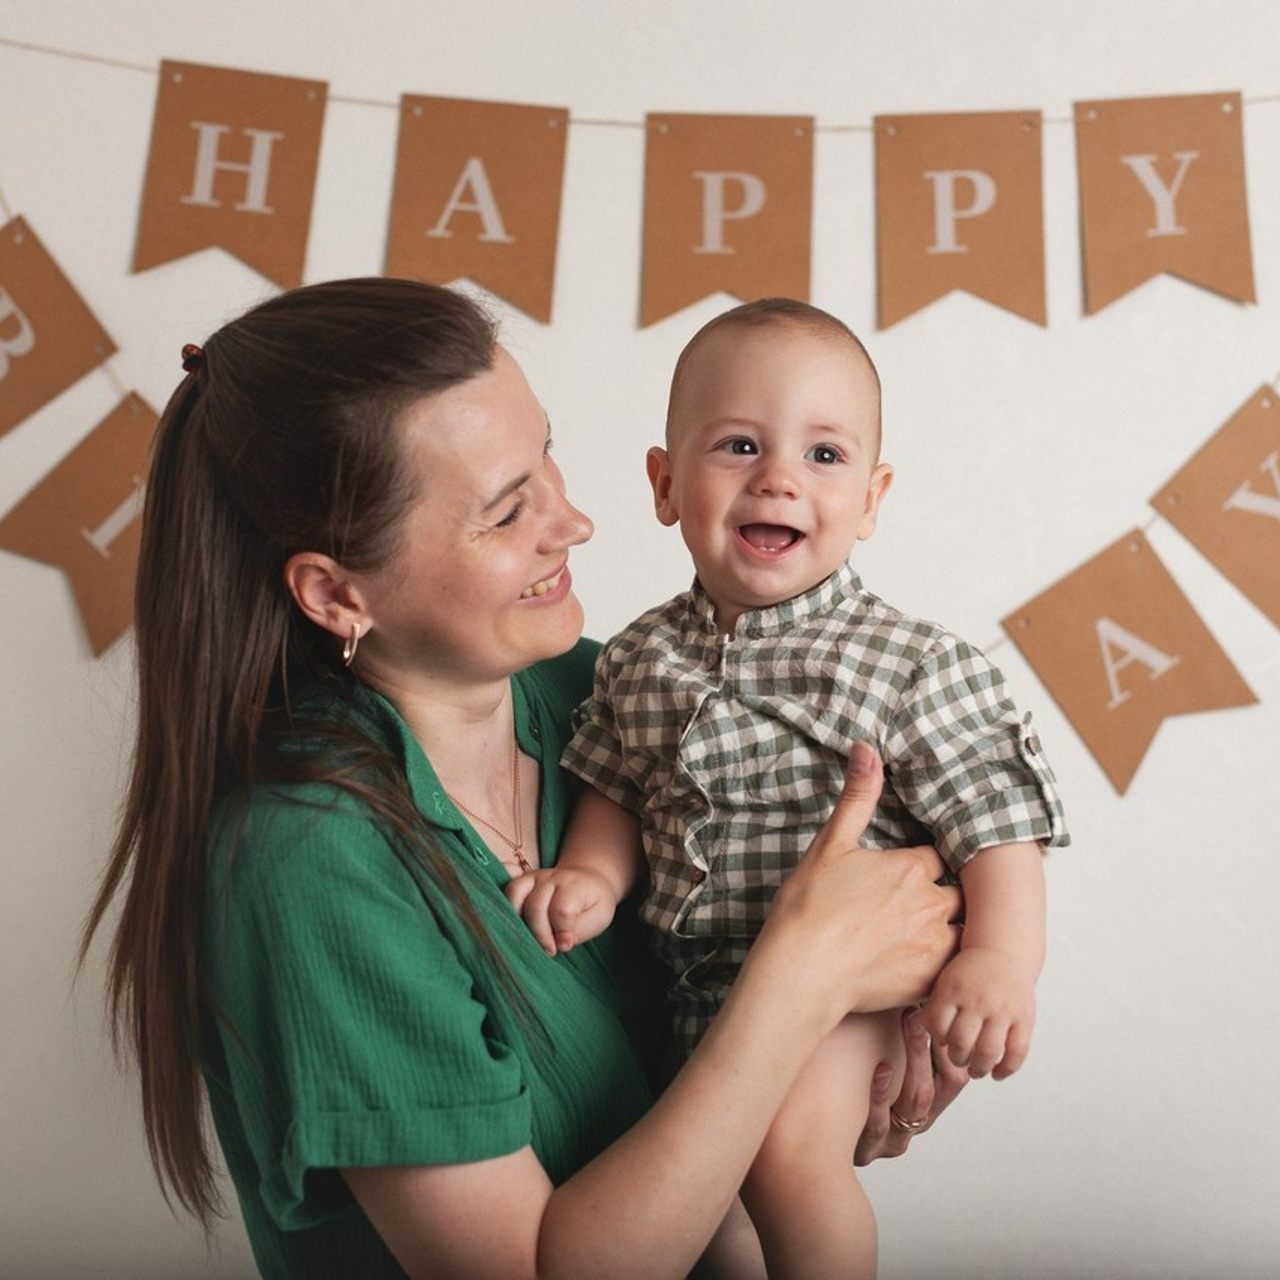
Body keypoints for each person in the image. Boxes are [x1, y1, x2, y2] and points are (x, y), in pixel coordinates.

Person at [80, 278, 966, 1279]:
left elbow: (820, 989)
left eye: (546, 453)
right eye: (506, 512)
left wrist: (857, 1068)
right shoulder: (305, 863)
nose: (575, 521)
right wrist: (800, 983)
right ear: (335, 592)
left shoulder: (605, 692)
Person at [508, 297, 1069, 1278]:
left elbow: (995, 825)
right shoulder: (638, 656)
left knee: (788, 1159)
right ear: (664, 482)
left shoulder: (910, 663)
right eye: (737, 445)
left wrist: (998, 960)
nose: (778, 477)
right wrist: (592, 876)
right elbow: (615, 782)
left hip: (852, 990)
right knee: (716, 1207)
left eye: (823, 455)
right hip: (705, 989)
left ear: (871, 496)